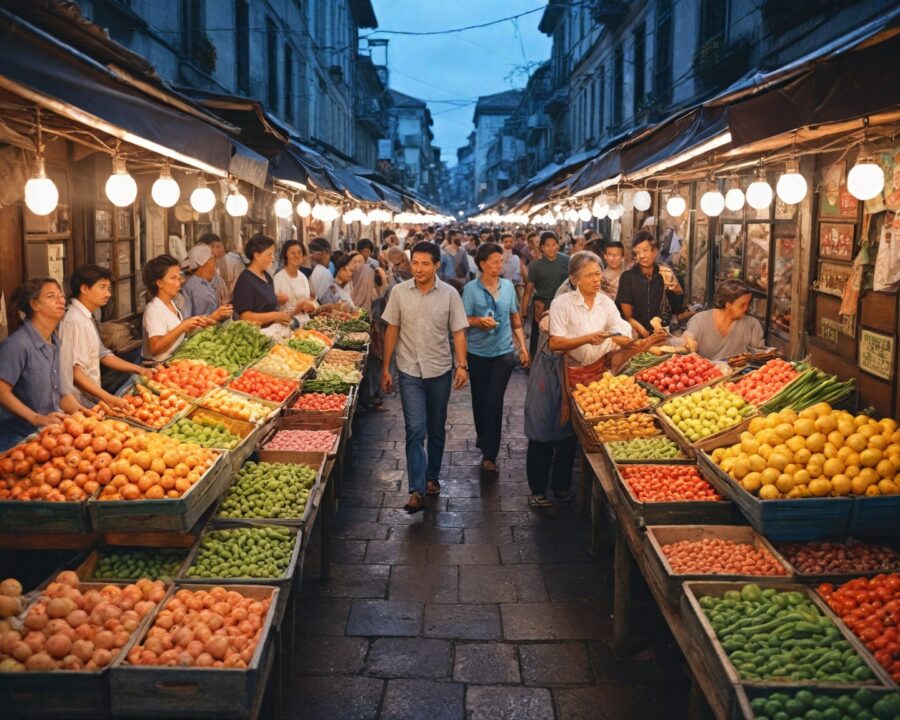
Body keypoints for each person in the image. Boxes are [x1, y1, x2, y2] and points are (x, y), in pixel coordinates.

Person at [381, 241, 469, 514]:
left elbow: (458, 332)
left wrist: (462, 365)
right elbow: (392, 329)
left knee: (437, 428)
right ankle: (416, 490)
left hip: (440, 369)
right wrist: (386, 367)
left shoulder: (450, 294)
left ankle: (432, 476)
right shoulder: (398, 292)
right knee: (415, 429)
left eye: (425, 264)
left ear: (436, 266)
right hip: (409, 370)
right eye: (414, 263)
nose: (418, 269)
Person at [462, 243, 529, 473]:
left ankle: (490, 454)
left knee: (494, 400)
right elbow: (463, 320)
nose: (500, 265)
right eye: (495, 262)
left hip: (503, 352)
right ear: (482, 264)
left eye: (501, 261)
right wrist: (478, 321)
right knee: (479, 400)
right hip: (477, 353)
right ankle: (483, 435)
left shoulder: (508, 287)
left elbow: (515, 318)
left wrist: (523, 346)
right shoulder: (470, 289)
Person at [0, 278, 84, 449]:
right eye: (51, 296)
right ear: (35, 305)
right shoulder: (18, 345)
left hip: (46, 434)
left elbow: (58, 393)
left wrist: (83, 413)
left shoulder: (53, 341)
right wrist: (35, 417)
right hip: (16, 439)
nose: (61, 300)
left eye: (61, 295)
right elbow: (1, 390)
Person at [59, 264, 149, 410]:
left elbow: (103, 354)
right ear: (84, 289)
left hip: (91, 399)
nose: (108, 294)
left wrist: (139, 369)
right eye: (102, 287)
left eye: (108, 288)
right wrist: (109, 398)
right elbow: (75, 372)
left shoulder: (87, 316)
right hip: (78, 404)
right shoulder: (75, 321)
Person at [616, 231, 684, 338]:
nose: (641, 256)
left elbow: (677, 308)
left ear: (655, 251)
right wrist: (643, 332)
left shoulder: (664, 274)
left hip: (661, 334)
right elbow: (627, 316)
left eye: (645, 250)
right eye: (637, 252)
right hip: (635, 334)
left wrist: (674, 287)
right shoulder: (627, 277)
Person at [143, 255, 209, 362]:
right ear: (159, 283)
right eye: (173, 278)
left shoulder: (171, 304)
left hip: (177, 359)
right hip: (163, 365)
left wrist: (195, 324)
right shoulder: (154, 309)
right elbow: (155, 348)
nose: (179, 282)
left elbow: (177, 335)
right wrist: (182, 327)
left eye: (179, 277)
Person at [683, 280, 765, 360]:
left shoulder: (752, 324)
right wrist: (688, 342)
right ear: (728, 305)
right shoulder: (700, 320)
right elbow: (687, 339)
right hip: (703, 371)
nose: (746, 308)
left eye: (748, 304)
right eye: (742, 305)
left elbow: (761, 354)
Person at [231, 234, 293, 338]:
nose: (273, 258)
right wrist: (275, 316)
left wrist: (277, 302)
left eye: (273, 254)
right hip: (256, 337)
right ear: (256, 255)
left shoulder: (267, 276)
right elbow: (246, 317)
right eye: (269, 254)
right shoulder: (245, 280)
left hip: (272, 333)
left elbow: (263, 301)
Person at [522, 231, 571, 361]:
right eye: (547, 245)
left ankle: (561, 364)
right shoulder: (535, 266)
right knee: (539, 337)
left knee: (561, 336)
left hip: (563, 305)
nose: (551, 248)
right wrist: (524, 312)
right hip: (542, 306)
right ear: (542, 248)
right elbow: (529, 290)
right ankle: (534, 363)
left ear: (558, 245)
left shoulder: (567, 261)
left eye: (554, 244)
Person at [180, 245, 234, 322]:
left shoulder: (217, 279)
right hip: (201, 332)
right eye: (212, 258)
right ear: (205, 262)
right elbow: (186, 321)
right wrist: (212, 317)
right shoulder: (189, 286)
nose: (215, 261)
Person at [274, 240, 318, 327]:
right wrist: (296, 310)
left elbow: (309, 301)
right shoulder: (278, 278)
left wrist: (311, 307)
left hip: (306, 323)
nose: (297, 256)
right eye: (292, 253)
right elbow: (276, 308)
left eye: (299, 252)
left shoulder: (303, 277)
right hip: (286, 324)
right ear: (286, 255)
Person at [307, 237, 334, 302]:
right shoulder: (324, 272)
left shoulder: (318, 270)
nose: (329, 259)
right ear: (325, 253)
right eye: (329, 254)